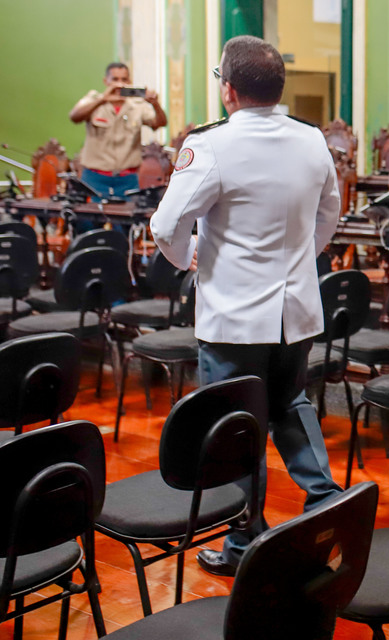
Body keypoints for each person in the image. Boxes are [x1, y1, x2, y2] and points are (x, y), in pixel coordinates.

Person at [149, 35, 342, 577]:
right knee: (291, 404)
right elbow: (330, 215)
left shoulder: (210, 145)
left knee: (237, 427)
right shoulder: (311, 140)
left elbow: (166, 225)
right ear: (278, 89)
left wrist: (190, 256)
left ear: (227, 90)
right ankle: (327, 506)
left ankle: (243, 546)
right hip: (295, 309)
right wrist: (300, 260)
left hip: (233, 315)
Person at [70, 62, 167, 199]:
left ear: (130, 81)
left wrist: (155, 104)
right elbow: (75, 117)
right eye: (115, 79)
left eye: (124, 79)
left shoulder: (137, 106)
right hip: (95, 178)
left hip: (127, 180)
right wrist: (103, 100)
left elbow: (160, 123)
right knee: (89, 219)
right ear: (106, 81)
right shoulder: (93, 101)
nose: (120, 84)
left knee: (127, 219)